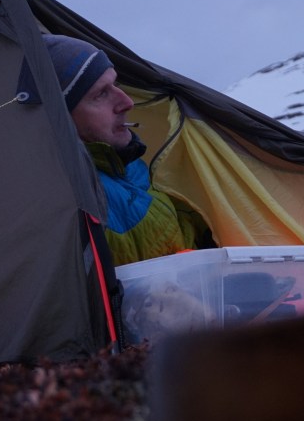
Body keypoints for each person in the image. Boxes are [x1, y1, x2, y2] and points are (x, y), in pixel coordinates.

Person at [42, 33, 214, 266]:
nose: (127, 102)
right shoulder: (66, 201)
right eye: (101, 94)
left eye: (116, 84)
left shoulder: (131, 165)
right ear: (60, 119)